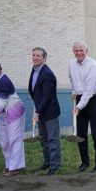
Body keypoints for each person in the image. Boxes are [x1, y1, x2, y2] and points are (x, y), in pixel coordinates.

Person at [0, 60, 26, 177]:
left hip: (14, 112)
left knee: (14, 140)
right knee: (5, 141)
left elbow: (2, 104)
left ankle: (14, 168)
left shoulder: (3, 82)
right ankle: (9, 165)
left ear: (0, 69)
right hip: (2, 113)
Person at [69, 41, 96, 173]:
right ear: (73, 52)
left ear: (86, 51)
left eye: (81, 50)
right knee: (80, 134)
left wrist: (78, 107)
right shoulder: (71, 64)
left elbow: (89, 90)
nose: (79, 53)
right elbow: (72, 79)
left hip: (94, 99)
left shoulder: (93, 65)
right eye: (76, 51)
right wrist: (74, 92)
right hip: (80, 98)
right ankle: (85, 162)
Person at [28, 47, 61, 176]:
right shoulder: (34, 69)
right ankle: (47, 162)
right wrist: (37, 107)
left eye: (38, 56)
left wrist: (37, 111)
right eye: (34, 55)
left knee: (52, 139)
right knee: (43, 139)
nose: (35, 58)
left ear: (44, 58)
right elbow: (34, 90)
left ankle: (54, 166)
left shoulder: (47, 74)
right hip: (40, 110)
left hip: (50, 112)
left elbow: (47, 96)